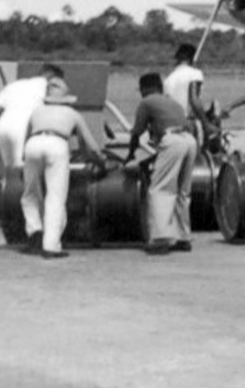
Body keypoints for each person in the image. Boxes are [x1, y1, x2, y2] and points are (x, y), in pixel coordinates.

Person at [20, 79, 109, 259]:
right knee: (55, 197)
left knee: (30, 194)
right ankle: (51, 245)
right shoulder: (73, 113)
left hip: (33, 144)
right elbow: (90, 146)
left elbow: (26, 137)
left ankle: (35, 230)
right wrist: (100, 161)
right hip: (57, 144)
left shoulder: (36, 112)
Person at [123, 73, 200, 255]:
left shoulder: (147, 102)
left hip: (172, 140)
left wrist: (130, 155)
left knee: (160, 189)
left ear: (145, 89)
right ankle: (183, 237)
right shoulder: (172, 102)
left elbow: (136, 134)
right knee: (182, 190)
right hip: (189, 140)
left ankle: (160, 238)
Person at [0, 64, 59, 170]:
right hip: (23, 127)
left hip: (2, 126)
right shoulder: (46, 85)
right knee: (21, 168)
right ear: (51, 76)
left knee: (8, 168)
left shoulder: (15, 84)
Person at [164, 43, 209, 146]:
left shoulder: (169, 79)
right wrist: (206, 124)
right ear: (192, 58)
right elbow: (194, 100)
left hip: (170, 124)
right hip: (188, 123)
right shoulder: (195, 74)